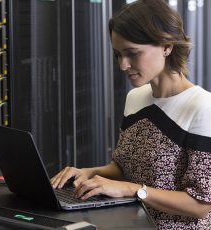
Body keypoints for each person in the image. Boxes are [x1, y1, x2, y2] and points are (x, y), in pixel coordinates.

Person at [50, 0, 211, 229]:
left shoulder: (203, 107)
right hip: (131, 222)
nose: (123, 65)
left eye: (132, 54)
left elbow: (201, 204)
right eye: (118, 55)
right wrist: (87, 173)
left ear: (167, 46)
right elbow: (123, 168)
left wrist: (134, 190)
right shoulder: (135, 98)